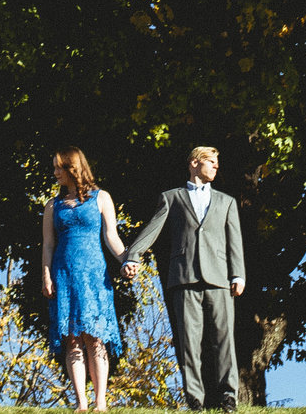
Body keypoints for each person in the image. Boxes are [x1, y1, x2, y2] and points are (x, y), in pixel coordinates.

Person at [122, 145, 245, 410]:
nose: (216, 166)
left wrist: (238, 275)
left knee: (224, 341)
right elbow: (153, 229)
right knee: (190, 343)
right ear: (194, 163)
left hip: (220, 279)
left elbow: (234, 242)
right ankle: (194, 398)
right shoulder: (172, 198)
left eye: (216, 162)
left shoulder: (226, 202)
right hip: (184, 278)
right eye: (210, 161)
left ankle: (228, 396)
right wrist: (133, 255)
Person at [41, 146, 128, 412]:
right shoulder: (52, 206)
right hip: (64, 274)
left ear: (73, 168)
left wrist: (127, 260)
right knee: (72, 339)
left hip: (93, 275)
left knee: (95, 337)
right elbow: (47, 244)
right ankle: (81, 402)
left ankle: (100, 402)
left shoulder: (101, 198)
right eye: (55, 167)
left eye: (59, 167)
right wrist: (46, 275)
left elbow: (111, 236)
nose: (55, 172)